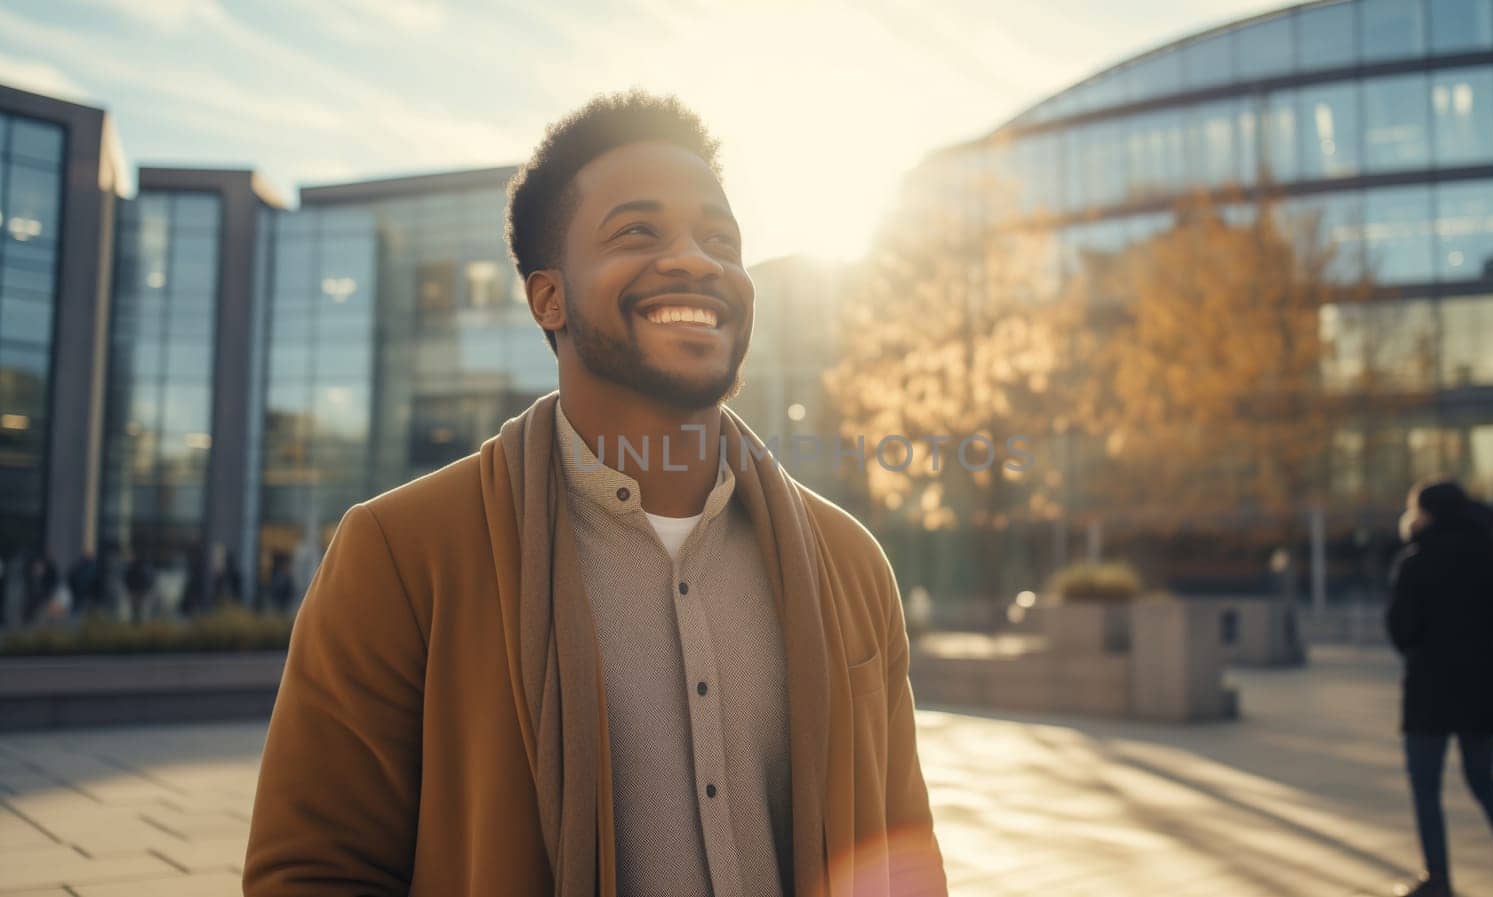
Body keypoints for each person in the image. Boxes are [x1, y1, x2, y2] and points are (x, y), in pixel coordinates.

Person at [245, 92, 946, 897]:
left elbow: (904, 864)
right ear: (549, 297)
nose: (695, 260)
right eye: (638, 232)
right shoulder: (402, 553)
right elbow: (312, 873)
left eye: (721, 238)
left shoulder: (852, 562)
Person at [1387, 479, 1493, 897]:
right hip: (1482, 686)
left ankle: (1437, 879)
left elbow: (1401, 631)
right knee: (1484, 781)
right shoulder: (1490, 559)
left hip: (1429, 689)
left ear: (1427, 514)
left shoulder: (1414, 561)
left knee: (1426, 785)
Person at [123, 553, 153, 624]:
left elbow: (147, 580)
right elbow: (127, 579)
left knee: (139, 608)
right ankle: (136, 620)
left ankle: (138, 620)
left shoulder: (142, 568)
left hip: (139, 590)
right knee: (135, 608)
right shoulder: (131, 568)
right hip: (135, 590)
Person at [67, 552, 100, 616]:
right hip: (82, 594)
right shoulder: (90, 567)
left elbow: (71, 576)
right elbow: (71, 576)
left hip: (82, 594)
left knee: (79, 610)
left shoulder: (83, 566)